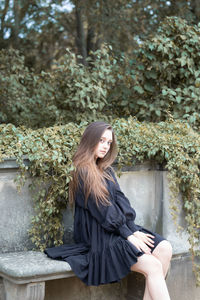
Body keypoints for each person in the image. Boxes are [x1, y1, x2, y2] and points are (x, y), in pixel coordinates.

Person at [44, 121, 172, 300]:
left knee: (164, 248)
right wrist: (129, 235)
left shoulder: (106, 170)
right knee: (153, 267)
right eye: (101, 140)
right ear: (90, 140)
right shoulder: (81, 172)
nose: (105, 146)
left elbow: (122, 202)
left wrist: (132, 229)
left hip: (118, 229)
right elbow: (103, 211)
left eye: (109, 142)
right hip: (99, 237)